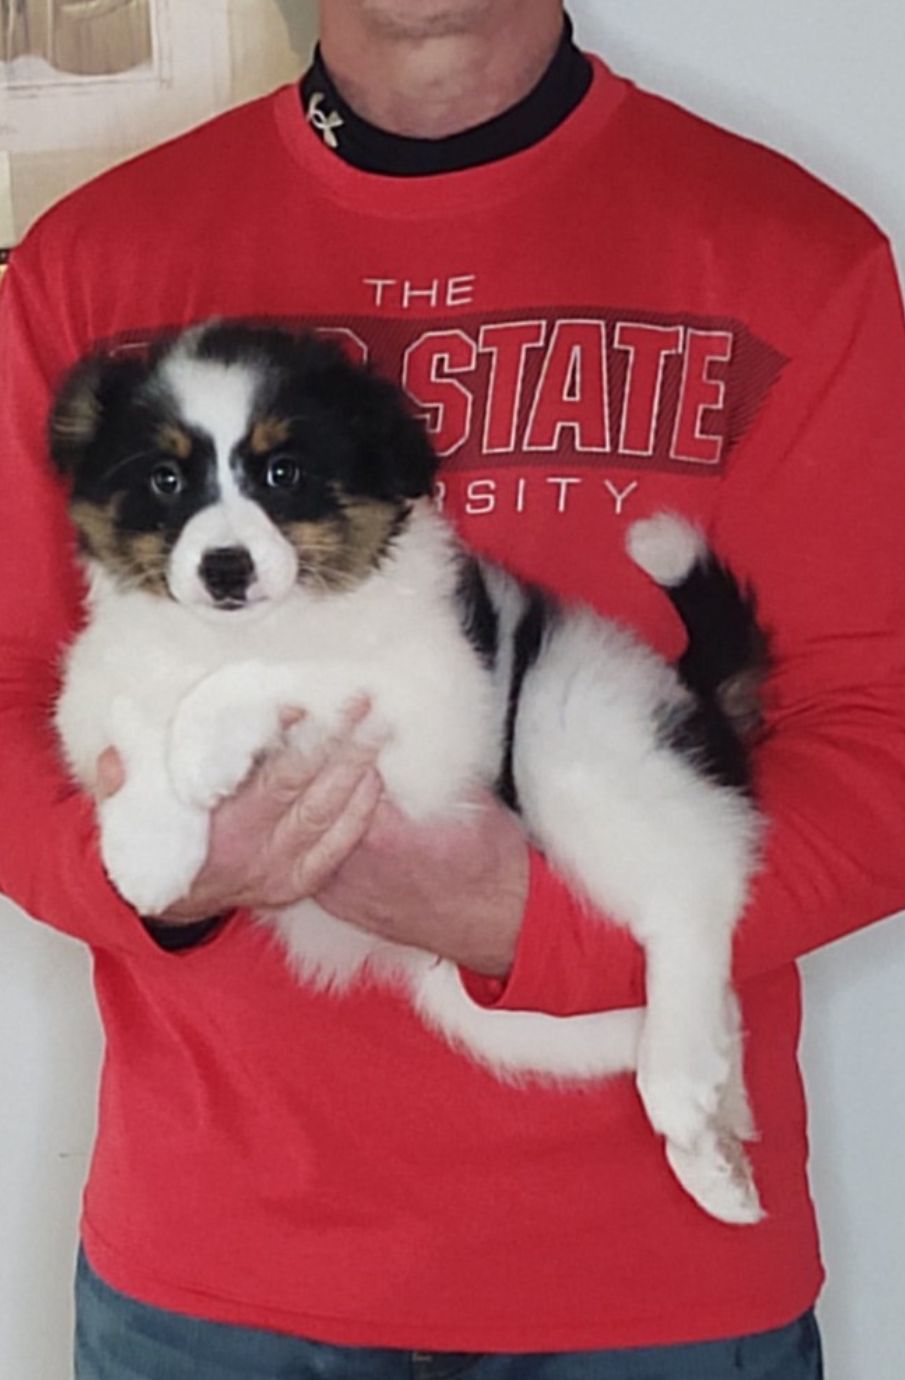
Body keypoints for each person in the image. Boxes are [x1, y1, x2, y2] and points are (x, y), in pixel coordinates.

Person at [1, 2, 904, 1375]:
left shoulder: (790, 253)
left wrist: (535, 926)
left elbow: (885, 739)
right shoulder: (95, 259)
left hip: (646, 1284)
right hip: (215, 1275)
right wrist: (152, 868)